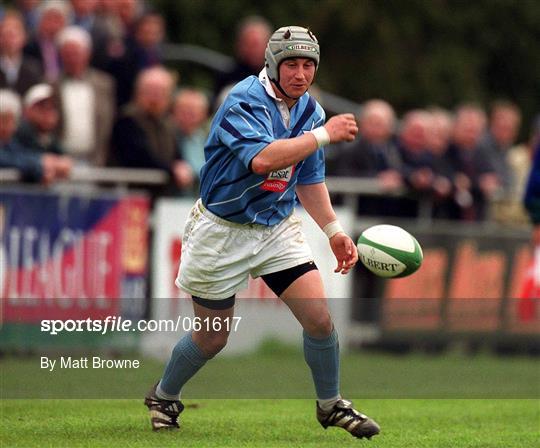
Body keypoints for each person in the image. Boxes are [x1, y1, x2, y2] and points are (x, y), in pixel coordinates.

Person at [144, 26, 380, 440]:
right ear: (272, 64)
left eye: (309, 65)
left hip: (275, 227)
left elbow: (308, 178)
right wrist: (324, 135)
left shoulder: (310, 110)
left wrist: (333, 231)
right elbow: (262, 160)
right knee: (212, 338)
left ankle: (330, 405)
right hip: (222, 232)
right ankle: (164, 395)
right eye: (292, 64)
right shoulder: (242, 100)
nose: (301, 74)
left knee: (320, 320)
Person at [110, 66, 194, 192]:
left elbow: (176, 156)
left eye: (161, 92)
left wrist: (181, 167)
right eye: (150, 91)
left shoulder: (169, 124)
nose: (155, 98)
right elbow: (139, 159)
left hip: (162, 198)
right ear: (138, 92)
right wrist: (172, 171)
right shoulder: (126, 121)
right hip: (130, 195)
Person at [57, 25, 115, 166]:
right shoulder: (52, 84)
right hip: (61, 161)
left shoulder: (104, 84)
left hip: (94, 160)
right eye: (67, 54)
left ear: (87, 53)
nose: (72, 59)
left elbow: (108, 122)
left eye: (76, 53)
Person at [0, 88, 69, 184]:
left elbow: (19, 154)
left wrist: (47, 161)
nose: (10, 127)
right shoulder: (23, 132)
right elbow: (7, 158)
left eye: (12, 122)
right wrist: (40, 164)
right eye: (4, 121)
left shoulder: (9, 142)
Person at [212, 15, 272, 107]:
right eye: (248, 44)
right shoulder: (227, 76)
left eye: (256, 45)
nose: (252, 50)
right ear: (239, 45)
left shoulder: (277, 77)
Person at [172, 87, 210, 184]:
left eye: (193, 111)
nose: (188, 116)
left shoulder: (207, 138)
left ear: (204, 114)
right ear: (174, 111)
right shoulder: (167, 136)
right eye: (184, 110)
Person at [0, 11, 43, 95]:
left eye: (14, 34)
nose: (10, 39)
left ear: (24, 37)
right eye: (5, 33)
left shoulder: (34, 68)